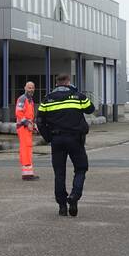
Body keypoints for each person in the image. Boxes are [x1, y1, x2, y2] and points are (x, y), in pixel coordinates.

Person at [37, 73, 95, 217]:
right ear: (68, 82)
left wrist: (48, 137)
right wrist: (76, 92)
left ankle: (62, 207)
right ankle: (74, 196)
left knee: (59, 173)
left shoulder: (47, 99)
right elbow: (91, 109)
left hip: (57, 139)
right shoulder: (78, 96)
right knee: (81, 169)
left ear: (56, 83)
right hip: (75, 139)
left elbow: (39, 121)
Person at [15, 81, 39, 180]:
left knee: (27, 148)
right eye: (29, 87)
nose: (31, 90)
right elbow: (18, 112)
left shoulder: (30, 100)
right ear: (25, 88)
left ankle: (28, 173)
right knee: (25, 148)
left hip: (27, 127)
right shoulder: (22, 99)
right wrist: (27, 123)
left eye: (32, 88)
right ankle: (26, 175)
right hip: (23, 127)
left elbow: (30, 115)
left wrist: (33, 125)